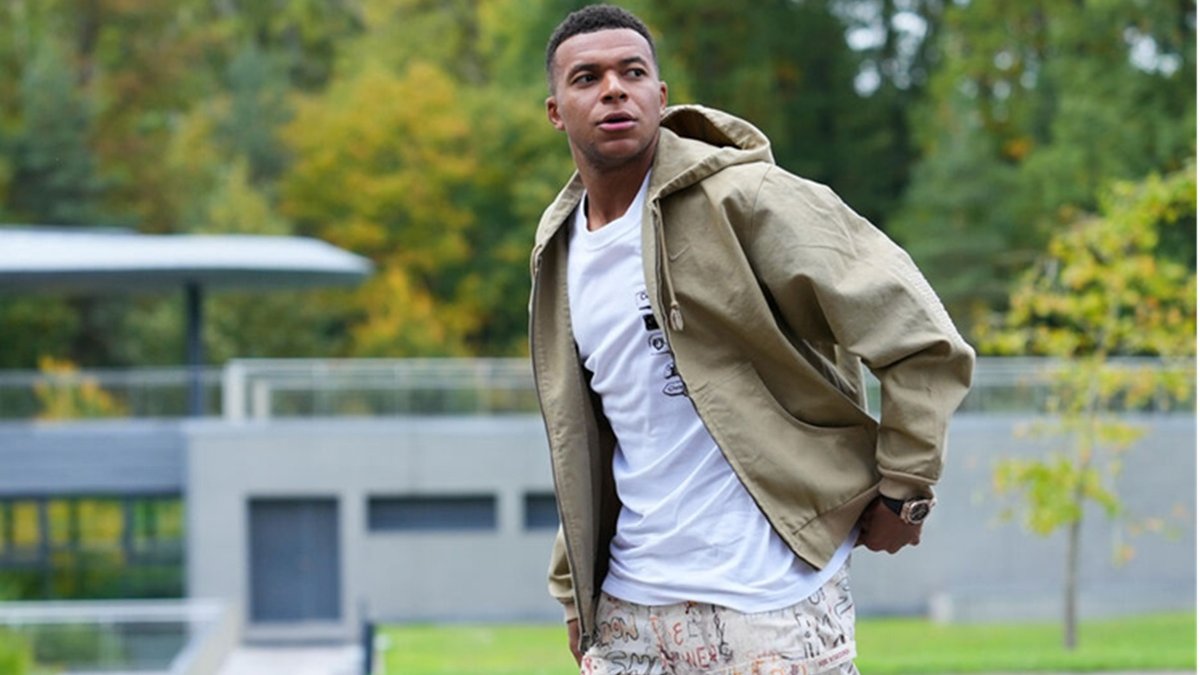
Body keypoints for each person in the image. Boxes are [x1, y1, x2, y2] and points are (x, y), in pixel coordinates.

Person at [528, 5, 974, 673]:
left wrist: (905, 485)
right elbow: (589, 433)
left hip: (768, 603)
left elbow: (919, 336)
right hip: (629, 611)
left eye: (632, 72)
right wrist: (576, 588)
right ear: (556, 111)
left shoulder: (747, 198)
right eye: (587, 78)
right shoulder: (561, 250)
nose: (614, 90)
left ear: (660, 95)